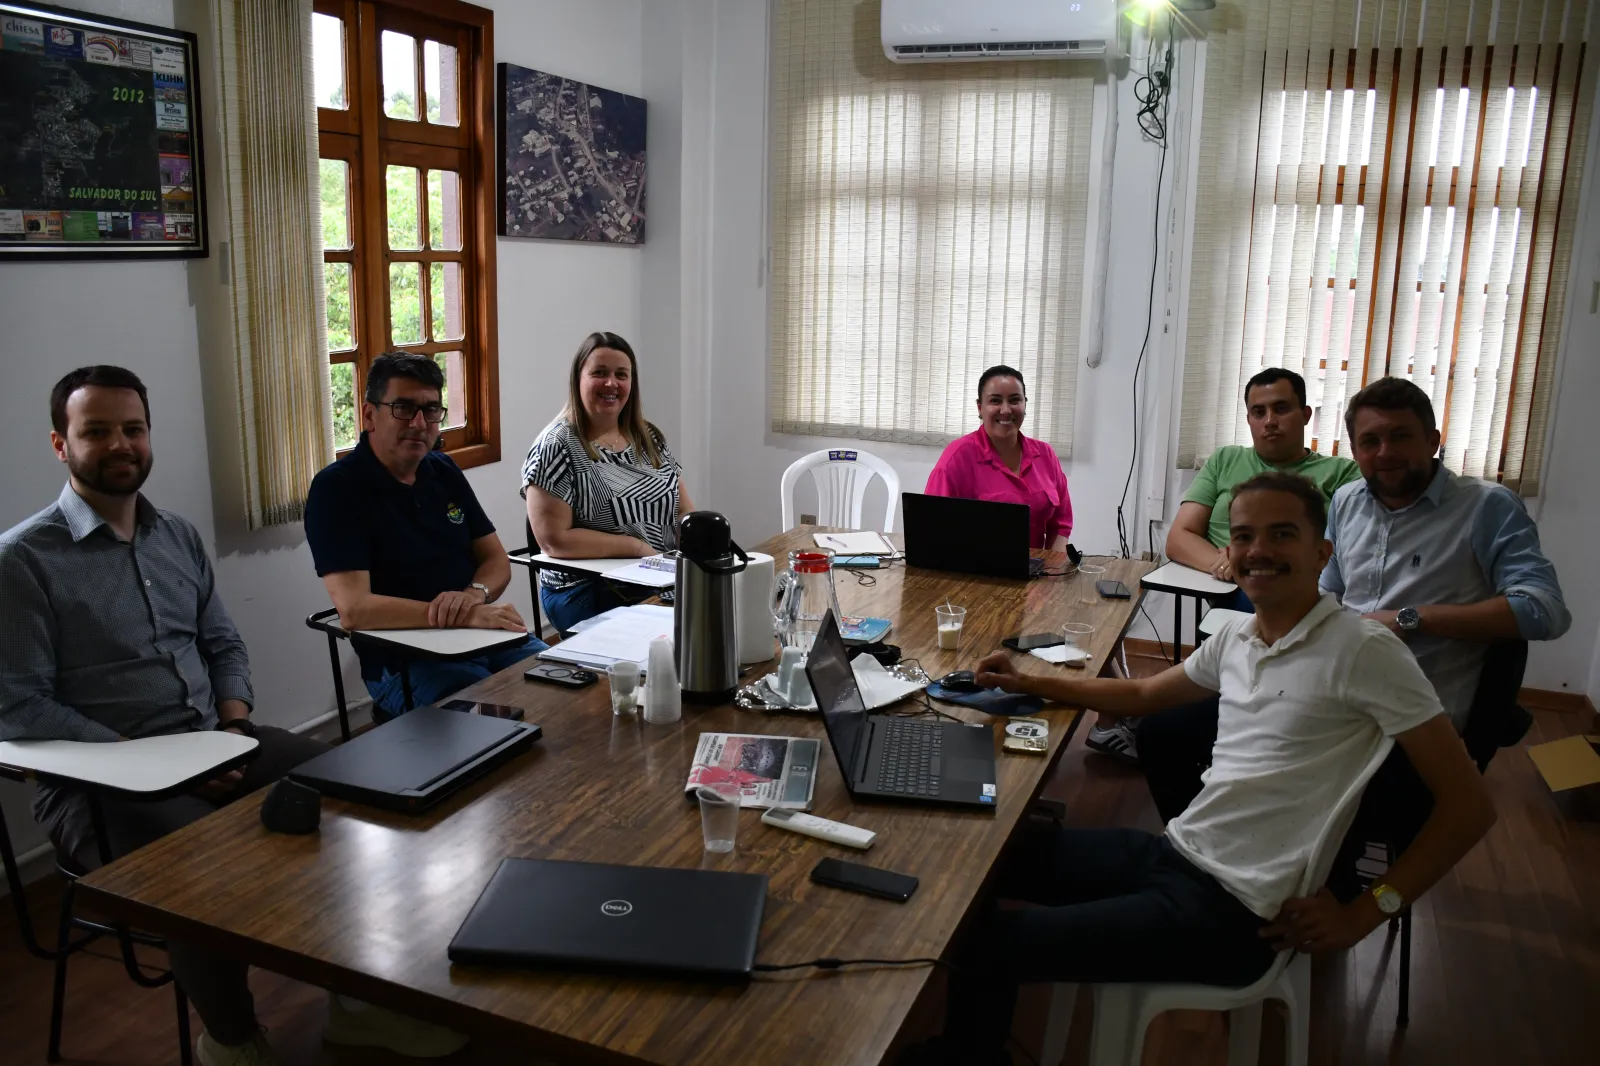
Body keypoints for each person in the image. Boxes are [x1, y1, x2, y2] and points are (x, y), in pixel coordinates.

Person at [900, 473, 1496, 1066]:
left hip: (1236, 914)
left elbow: (1471, 808)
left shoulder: (1365, 650)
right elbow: (1139, 697)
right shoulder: (1238, 636)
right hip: (1180, 856)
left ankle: (963, 1054)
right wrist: (1027, 679)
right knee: (990, 851)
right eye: (1243, 536)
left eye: (1281, 534)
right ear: (1228, 553)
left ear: (1322, 552)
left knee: (993, 944)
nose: (1258, 550)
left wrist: (1367, 912)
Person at [0, 367, 466, 1066]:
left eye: (133, 428)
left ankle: (360, 1003)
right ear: (61, 445)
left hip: (214, 741)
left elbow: (222, 644)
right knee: (201, 869)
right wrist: (156, 759)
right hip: (96, 784)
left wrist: (230, 725)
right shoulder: (23, 561)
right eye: (96, 431)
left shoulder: (177, 536)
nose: (120, 443)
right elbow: (18, 704)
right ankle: (232, 1039)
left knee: (357, 796)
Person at [1143, 377, 1572, 828]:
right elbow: (1328, 590)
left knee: (1261, 775)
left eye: (1400, 436)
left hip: (1406, 723)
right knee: (1163, 733)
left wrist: (1411, 619)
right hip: (1326, 692)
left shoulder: (1487, 507)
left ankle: (1294, 872)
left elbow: (1543, 610)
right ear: (1355, 448)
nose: (1384, 452)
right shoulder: (1348, 501)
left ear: (1432, 441)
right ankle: (1208, 861)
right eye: (1370, 441)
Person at [1122, 368, 1362, 770]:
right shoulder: (1226, 459)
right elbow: (1179, 538)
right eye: (1258, 411)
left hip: (1295, 594)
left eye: (1281, 409)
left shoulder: (1340, 474)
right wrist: (1227, 562)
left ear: (1305, 415)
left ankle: (1246, 729)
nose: (1269, 420)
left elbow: (1345, 553)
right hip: (1229, 585)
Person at [306, 352, 544, 721]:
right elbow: (354, 610)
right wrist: (462, 616)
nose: (420, 423)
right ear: (369, 415)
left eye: (432, 410)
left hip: (480, 637)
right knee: (492, 718)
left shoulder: (442, 468)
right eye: (403, 408)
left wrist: (472, 596)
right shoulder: (336, 489)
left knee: (568, 686)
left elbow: (496, 561)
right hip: (406, 660)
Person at [523, 332, 694, 633]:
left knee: (725, 609)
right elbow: (553, 541)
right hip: (585, 588)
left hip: (656, 575)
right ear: (579, 379)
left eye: (621, 375)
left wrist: (700, 550)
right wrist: (637, 548)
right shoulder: (557, 445)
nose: (611, 384)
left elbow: (683, 510)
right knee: (681, 635)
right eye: (599, 373)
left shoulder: (648, 436)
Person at [924, 365, 1073, 551]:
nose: (1006, 410)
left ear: (1025, 404)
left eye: (1014, 400)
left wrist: (1052, 572)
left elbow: (1060, 525)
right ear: (980, 408)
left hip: (1035, 572)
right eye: (995, 401)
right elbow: (932, 532)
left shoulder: (1046, 455)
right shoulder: (956, 459)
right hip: (974, 575)